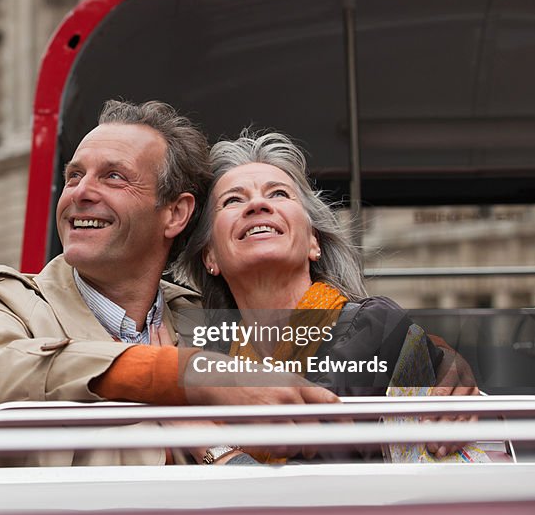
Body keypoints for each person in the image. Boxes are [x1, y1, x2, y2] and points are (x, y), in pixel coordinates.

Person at [0, 101, 338, 467]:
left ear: (175, 214)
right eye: (74, 176)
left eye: (113, 177)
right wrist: (189, 374)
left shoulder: (204, 317)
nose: (80, 193)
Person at [174, 129, 479, 459]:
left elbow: (324, 471)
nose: (258, 204)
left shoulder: (374, 326)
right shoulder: (211, 354)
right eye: (233, 200)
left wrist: (209, 443)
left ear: (313, 242)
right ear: (210, 257)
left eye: (278, 194)